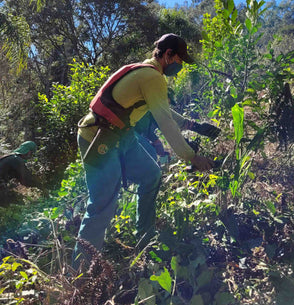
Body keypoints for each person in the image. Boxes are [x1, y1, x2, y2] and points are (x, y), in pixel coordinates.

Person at [73, 33, 219, 270]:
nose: (180, 66)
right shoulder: (152, 77)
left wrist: (194, 126)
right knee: (101, 205)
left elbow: (161, 110)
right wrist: (191, 157)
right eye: (180, 60)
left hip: (122, 137)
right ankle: (81, 274)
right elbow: (164, 121)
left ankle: (144, 239)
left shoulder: (147, 73)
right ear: (168, 54)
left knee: (151, 174)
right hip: (99, 139)